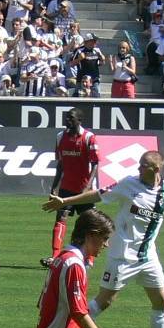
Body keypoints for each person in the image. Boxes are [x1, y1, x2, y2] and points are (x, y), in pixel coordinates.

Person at [42, 151, 164, 328]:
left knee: (161, 302)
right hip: (121, 256)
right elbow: (98, 194)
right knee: (104, 302)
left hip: (148, 257)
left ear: (156, 169)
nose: (139, 169)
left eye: (143, 166)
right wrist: (64, 201)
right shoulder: (129, 184)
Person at [40, 108, 99, 269]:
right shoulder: (60, 137)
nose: (67, 120)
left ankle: (90, 258)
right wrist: (54, 188)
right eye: (67, 118)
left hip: (84, 190)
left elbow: (95, 164)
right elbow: (60, 164)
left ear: (79, 120)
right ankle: (55, 256)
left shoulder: (89, 138)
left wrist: (88, 187)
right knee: (60, 219)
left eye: (71, 118)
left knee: (89, 223)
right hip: (66, 188)